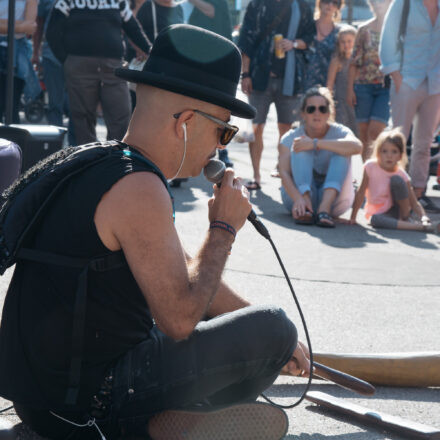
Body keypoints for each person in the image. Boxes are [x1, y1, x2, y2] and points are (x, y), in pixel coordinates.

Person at [0, 25, 310, 440]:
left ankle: (173, 421)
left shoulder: (98, 160)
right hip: (90, 406)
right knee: (275, 328)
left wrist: (249, 323)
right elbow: (181, 317)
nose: (220, 149)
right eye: (223, 131)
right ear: (184, 122)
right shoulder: (140, 188)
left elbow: (182, 271)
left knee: (267, 330)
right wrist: (222, 229)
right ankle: (148, 427)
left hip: (45, 401)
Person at [46, 0, 151, 145]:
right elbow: (52, 30)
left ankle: (117, 161)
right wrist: (67, 60)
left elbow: (132, 27)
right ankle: (86, 162)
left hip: (113, 68)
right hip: (79, 66)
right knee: (82, 121)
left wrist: (150, 51)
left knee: (121, 117)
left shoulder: (118, 1)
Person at [238, 0, 315, 190]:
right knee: (256, 128)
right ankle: (256, 176)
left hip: (289, 78)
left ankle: (284, 173)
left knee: (286, 129)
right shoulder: (257, 5)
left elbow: (310, 37)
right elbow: (246, 40)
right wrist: (245, 74)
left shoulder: (302, 6)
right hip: (259, 77)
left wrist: (294, 43)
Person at [379, 0, 440, 213]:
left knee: (425, 142)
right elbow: (388, 36)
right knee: (398, 139)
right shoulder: (404, 3)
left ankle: (418, 193)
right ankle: (390, 192)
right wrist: (395, 74)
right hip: (406, 80)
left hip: (435, 83)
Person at [279, 86, 362, 227]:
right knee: (299, 145)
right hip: (297, 198)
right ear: (303, 114)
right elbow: (284, 172)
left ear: (329, 113)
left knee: (342, 149)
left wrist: (315, 143)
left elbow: (357, 147)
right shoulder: (290, 137)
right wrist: (298, 198)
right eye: (311, 109)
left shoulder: (340, 132)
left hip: (335, 201)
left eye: (322, 109)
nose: (317, 113)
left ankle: (324, 209)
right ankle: (306, 206)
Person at [350, 128, 439, 233]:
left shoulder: (401, 174)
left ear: (400, 156)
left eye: (394, 151)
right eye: (384, 151)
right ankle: (420, 227)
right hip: (379, 214)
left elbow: (414, 202)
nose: (389, 155)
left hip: (399, 211)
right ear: (378, 153)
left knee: (397, 180)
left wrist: (424, 217)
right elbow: (361, 193)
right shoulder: (370, 167)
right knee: (375, 220)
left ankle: (407, 220)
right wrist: (353, 217)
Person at [188, 0, 234, 167]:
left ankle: (222, 153)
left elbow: (213, 11)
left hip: (217, 65)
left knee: (220, 112)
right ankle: (189, 153)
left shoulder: (217, 4)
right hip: (195, 65)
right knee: (193, 110)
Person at [347, 0, 391, 162]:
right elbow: (354, 63)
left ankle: (377, 170)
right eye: (377, 3)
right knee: (363, 134)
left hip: (385, 88)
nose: (380, 5)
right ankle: (368, 174)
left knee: (376, 131)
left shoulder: (395, 29)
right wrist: (349, 90)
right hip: (363, 87)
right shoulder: (363, 30)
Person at [31, 0, 75, 144]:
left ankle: (76, 146)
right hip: (52, 58)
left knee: (78, 106)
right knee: (55, 104)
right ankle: (56, 145)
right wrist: (35, 53)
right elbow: (39, 24)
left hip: (77, 58)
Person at [0, 0, 37, 123]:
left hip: (18, 51)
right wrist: (20, 26)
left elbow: (30, 27)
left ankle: (13, 142)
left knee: (13, 107)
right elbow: (25, 26)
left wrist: (4, 25)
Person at [304, 0, 343, 92]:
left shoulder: (340, 33)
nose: (330, 5)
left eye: (335, 3)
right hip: (303, 84)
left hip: (329, 87)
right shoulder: (306, 26)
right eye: (326, 1)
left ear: (338, 7)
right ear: (319, 3)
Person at [326, 24, 357, 135]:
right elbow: (329, 84)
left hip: (357, 102)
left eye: (349, 41)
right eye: (342, 42)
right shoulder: (337, 60)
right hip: (341, 104)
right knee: (343, 132)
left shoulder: (359, 59)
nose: (346, 45)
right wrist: (329, 105)